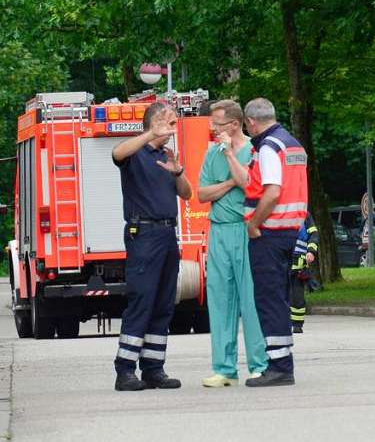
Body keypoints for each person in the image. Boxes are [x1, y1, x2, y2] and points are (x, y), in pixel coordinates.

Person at [111, 101, 193, 391]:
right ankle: (125, 371)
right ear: (154, 122)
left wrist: (178, 171)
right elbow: (116, 153)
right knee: (142, 301)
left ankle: (154, 369)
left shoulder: (166, 156)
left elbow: (187, 194)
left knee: (162, 304)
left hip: (168, 235)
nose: (173, 128)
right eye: (169, 123)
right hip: (143, 234)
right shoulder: (136, 153)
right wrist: (149, 134)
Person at [197, 100, 268, 387]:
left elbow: (250, 184)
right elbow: (202, 194)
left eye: (218, 124)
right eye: (212, 124)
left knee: (251, 299)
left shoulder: (254, 150)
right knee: (220, 299)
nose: (213, 129)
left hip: (245, 228)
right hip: (219, 231)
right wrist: (227, 184)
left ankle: (259, 364)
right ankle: (224, 368)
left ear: (235, 124)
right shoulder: (209, 152)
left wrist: (228, 155)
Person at [243, 98, 308, 387]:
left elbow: (271, 193)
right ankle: (283, 363)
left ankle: (280, 366)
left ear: (251, 122)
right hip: (290, 231)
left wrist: (254, 224)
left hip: (268, 233)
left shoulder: (269, 147)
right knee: (279, 298)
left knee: (269, 300)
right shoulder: (293, 144)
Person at [289, 214, 320, 333]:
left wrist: (311, 251)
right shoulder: (279, 210)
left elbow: (314, 234)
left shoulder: (304, 215)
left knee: (297, 295)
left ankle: (297, 324)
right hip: (281, 261)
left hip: (298, 263)